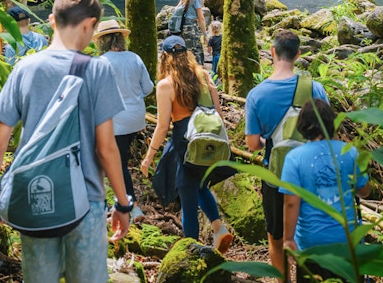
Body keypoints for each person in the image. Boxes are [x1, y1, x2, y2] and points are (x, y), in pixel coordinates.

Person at [0, 0, 131, 283]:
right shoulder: (97, 70)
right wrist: (122, 202)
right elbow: (106, 148)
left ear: (52, 20)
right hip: (85, 202)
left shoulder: (24, 69)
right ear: (90, 25)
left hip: (36, 196)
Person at [244, 29, 330, 281]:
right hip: (311, 175)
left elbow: (252, 144)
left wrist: (267, 139)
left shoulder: (256, 95)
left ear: (272, 52)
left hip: (276, 176)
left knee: (276, 236)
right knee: (307, 231)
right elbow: (327, 131)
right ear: (298, 54)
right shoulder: (315, 88)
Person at [140, 35, 233, 253]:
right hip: (208, 138)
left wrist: (149, 156)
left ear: (164, 56)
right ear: (187, 54)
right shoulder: (203, 76)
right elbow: (218, 113)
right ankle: (219, 229)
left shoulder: (165, 85)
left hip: (185, 141)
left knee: (187, 195)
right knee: (200, 185)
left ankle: (191, 251)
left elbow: (163, 126)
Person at [281, 98, 370, 282]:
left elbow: (291, 203)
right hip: (346, 241)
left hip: (311, 244)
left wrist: (288, 239)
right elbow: (364, 191)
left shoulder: (294, 158)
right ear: (332, 123)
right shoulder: (349, 152)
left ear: (302, 125)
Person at [93, 19, 154, 222]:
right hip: (135, 119)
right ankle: (118, 202)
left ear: (103, 41)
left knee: (117, 164)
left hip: (115, 120)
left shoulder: (102, 62)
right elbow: (148, 88)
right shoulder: (134, 58)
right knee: (119, 160)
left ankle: (132, 206)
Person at [176, 0, 208, 65]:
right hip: (191, 28)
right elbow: (201, 18)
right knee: (196, 52)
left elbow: (177, 8)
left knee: (187, 52)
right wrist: (205, 35)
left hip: (183, 27)